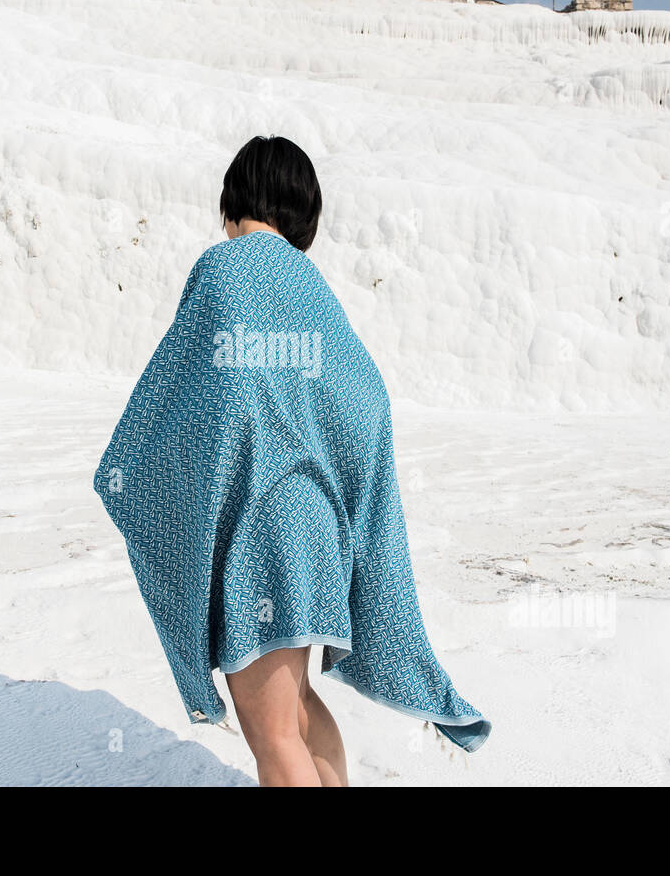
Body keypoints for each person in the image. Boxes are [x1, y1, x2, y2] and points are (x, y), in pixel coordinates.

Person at [95, 135, 489, 787]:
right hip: (318, 534)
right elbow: (364, 401)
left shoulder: (222, 271)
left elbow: (191, 400)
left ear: (235, 201)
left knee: (272, 734)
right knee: (298, 705)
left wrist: (139, 474)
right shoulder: (314, 290)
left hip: (260, 535)